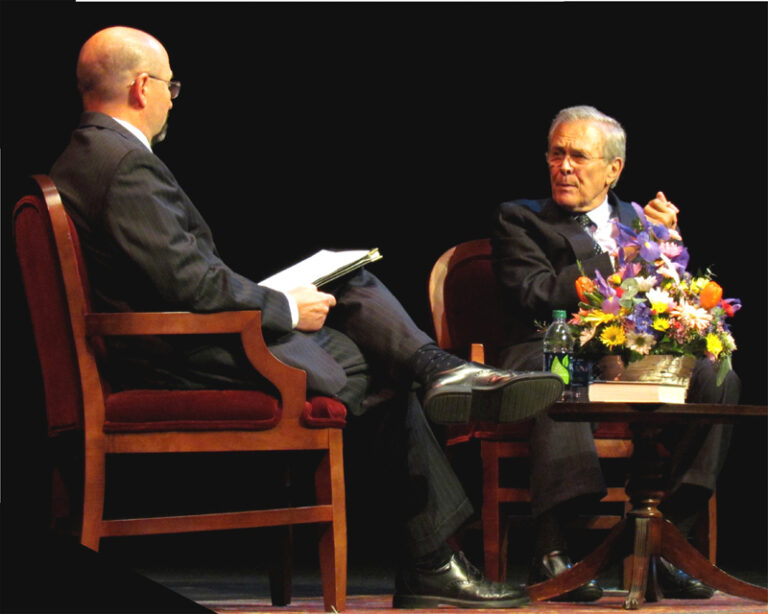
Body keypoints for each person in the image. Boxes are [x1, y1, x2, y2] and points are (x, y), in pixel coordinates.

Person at [48, 26, 565, 609]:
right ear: (143, 87)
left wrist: (286, 295)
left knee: (351, 284)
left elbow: (180, 273)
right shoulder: (124, 165)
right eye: (171, 86)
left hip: (176, 338)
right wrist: (287, 306)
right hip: (180, 355)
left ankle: (437, 382)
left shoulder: (84, 156)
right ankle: (432, 550)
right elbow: (191, 282)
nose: (172, 98)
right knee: (377, 361)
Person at [492, 105, 738, 601]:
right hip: (550, 345)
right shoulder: (521, 217)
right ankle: (553, 549)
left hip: (632, 354)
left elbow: (670, 292)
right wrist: (621, 258)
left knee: (718, 375)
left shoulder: (638, 221)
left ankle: (671, 538)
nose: (564, 167)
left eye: (578, 156)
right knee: (557, 373)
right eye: (556, 154)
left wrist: (667, 247)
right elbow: (533, 292)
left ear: (613, 169)